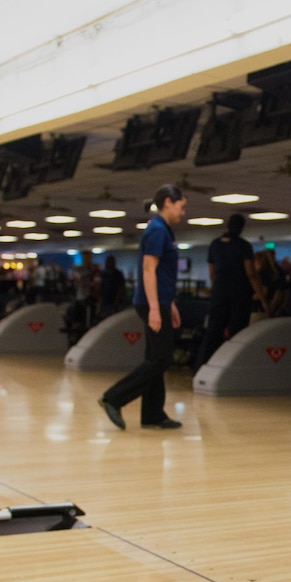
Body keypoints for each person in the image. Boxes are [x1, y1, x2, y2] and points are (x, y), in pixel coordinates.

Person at [97, 184, 188, 431]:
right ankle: (113, 398)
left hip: (158, 301)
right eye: (181, 206)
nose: (183, 212)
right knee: (161, 358)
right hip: (151, 303)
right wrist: (156, 309)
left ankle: (152, 414)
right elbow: (148, 271)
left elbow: (164, 273)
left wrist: (170, 304)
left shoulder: (164, 230)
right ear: (169, 202)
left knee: (155, 358)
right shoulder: (157, 231)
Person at [198, 212, 259, 367]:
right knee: (237, 331)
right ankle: (235, 366)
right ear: (242, 228)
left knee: (213, 331)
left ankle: (203, 366)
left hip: (220, 290)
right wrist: (263, 298)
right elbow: (251, 273)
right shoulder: (244, 245)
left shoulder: (215, 244)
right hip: (239, 291)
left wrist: (217, 288)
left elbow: (212, 272)